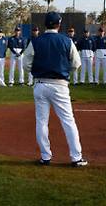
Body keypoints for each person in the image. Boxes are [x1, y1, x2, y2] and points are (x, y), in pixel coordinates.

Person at [22, 11, 87, 167]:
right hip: (60, 85)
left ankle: (45, 157)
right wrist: (63, 69)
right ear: (59, 24)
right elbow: (76, 64)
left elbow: (26, 64)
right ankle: (76, 157)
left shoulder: (36, 41)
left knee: (42, 122)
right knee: (68, 121)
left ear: (45, 24)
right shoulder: (66, 40)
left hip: (40, 84)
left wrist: (37, 70)